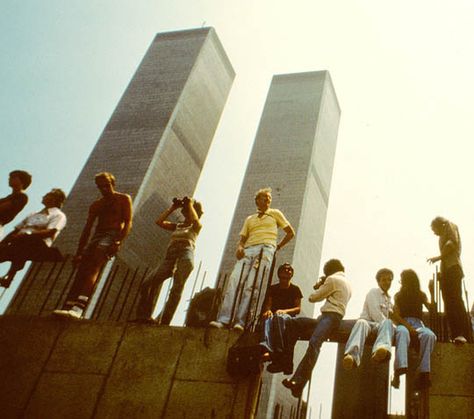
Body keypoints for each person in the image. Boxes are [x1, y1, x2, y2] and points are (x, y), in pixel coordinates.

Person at [210, 187, 295, 331]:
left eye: (269, 198)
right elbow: (242, 238)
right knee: (234, 281)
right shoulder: (250, 219)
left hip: (265, 250)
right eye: (265, 197)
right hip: (248, 251)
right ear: (257, 200)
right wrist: (239, 247)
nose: (268, 200)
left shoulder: (275, 214)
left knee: (252, 286)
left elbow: (290, 232)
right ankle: (223, 320)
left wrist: (277, 247)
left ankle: (241, 322)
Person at [53, 172, 132, 319]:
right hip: (97, 236)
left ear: (112, 183)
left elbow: (128, 222)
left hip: (112, 234)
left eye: (106, 185)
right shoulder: (97, 204)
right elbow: (87, 228)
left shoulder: (123, 199)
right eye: (100, 186)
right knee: (82, 269)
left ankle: (79, 308)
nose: (104, 189)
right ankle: (68, 306)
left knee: (94, 266)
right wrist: (79, 251)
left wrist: (118, 241)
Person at [282, 259, 351, 398]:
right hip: (328, 318)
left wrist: (321, 284)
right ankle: (288, 364)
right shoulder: (347, 282)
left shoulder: (332, 279)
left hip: (329, 318)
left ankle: (298, 382)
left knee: (314, 344)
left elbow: (313, 298)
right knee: (294, 323)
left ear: (328, 271)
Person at [135, 196, 203, 325]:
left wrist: (190, 204)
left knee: (176, 289)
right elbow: (159, 221)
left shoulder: (196, 227)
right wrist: (173, 208)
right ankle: (144, 316)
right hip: (170, 256)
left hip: (185, 254)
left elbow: (195, 221)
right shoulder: (177, 226)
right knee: (147, 284)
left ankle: (164, 320)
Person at [0, 188, 66, 288]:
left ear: (54, 199)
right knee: (6, 250)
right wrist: (3, 242)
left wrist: (28, 234)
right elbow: (16, 229)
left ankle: (9, 276)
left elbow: (51, 232)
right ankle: (8, 275)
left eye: (47, 195)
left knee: (24, 242)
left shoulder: (58, 215)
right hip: (18, 242)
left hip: (38, 244)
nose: (44, 196)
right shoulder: (33, 214)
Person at [391, 269, 436, 389]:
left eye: (402, 280)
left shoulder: (421, 294)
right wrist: (408, 326)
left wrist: (432, 292)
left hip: (418, 324)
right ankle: (400, 369)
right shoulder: (398, 296)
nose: (401, 283)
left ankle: (424, 372)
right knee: (402, 332)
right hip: (403, 323)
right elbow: (396, 315)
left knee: (429, 335)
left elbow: (432, 309)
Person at [428, 216, 470, 344]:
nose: (434, 233)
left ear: (440, 224)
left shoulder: (449, 226)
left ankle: (462, 333)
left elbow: (451, 243)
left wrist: (439, 257)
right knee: (449, 303)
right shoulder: (442, 235)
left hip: (453, 269)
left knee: (455, 301)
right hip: (447, 270)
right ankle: (456, 333)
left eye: (434, 229)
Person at [342, 268, 395, 370]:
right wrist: (387, 327)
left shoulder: (389, 300)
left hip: (380, 327)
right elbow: (374, 312)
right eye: (384, 280)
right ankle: (351, 356)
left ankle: (380, 350)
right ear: (379, 281)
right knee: (361, 323)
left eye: (389, 280)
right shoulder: (373, 292)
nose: (387, 282)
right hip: (368, 323)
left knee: (388, 322)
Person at [260, 262, 303, 374]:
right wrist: (268, 311)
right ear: (279, 273)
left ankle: (279, 351)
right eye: (285, 269)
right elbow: (268, 305)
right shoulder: (273, 288)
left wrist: (284, 311)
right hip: (274, 316)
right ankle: (266, 346)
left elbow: (297, 309)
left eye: (289, 270)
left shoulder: (295, 289)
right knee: (267, 318)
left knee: (278, 317)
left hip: (288, 317)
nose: (287, 271)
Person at [0, 170, 32, 238]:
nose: (10, 179)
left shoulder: (22, 197)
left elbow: (3, 207)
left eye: (13, 177)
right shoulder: (6, 198)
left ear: (21, 181)